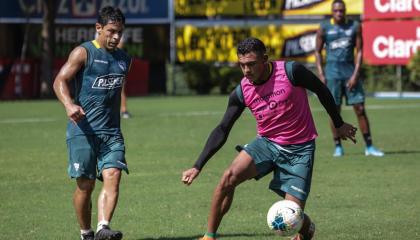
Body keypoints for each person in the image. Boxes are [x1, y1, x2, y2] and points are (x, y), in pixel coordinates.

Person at [181, 37, 357, 240]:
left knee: (292, 218)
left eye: (251, 64)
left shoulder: (292, 72)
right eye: (242, 65)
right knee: (227, 178)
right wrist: (198, 165)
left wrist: (338, 123)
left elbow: (321, 89)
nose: (246, 71)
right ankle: (209, 236)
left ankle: (307, 228)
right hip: (266, 144)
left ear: (265, 59)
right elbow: (223, 128)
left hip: (299, 150)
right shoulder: (242, 91)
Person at [53, 6, 131, 240]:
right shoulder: (83, 52)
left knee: (114, 174)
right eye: (111, 31)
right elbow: (60, 81)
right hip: (83, 131)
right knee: (85, 186)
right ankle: (86, 233)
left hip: (112, 133)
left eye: (120, 32)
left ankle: (103, 228)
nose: (116, 37)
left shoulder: (124, 59)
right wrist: (69, 105)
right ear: (99, 28)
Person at [315, 0, 384, 157]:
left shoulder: (354, 26)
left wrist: (356, 74)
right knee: (334, 111)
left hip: (350, 75)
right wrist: (321, 73)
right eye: (336, 11)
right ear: (332, 12)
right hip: (332, 75)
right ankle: (338, 146)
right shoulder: (324, 27)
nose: (339, 13)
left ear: (345, 11)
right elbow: (317, 51)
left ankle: (369, 146)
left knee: (360, 109)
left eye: (341, 10)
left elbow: (359, 51)